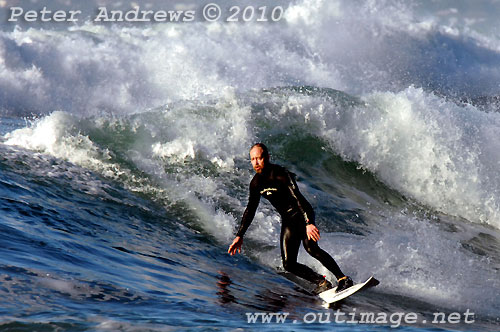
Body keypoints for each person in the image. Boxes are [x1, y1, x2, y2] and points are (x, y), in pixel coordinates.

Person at [228, 143, 353, 294]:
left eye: (259, 158)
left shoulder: (281, 174)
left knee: (311, 249)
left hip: (302, 214)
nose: (256, 162)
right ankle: (322, 282)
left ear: (267, 157)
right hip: (288, 220)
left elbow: (298, 197)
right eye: (252, 159)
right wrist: (240, 235)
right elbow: (250, 210)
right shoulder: (256, 183)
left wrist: (309, 222)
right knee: (288, 264)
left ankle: (343, 279)